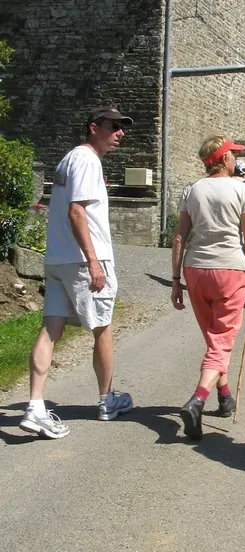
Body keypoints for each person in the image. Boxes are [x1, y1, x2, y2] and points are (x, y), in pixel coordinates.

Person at [19, 106, 135, 439]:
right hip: (84, 262)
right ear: (93, 128)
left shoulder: (68, 160)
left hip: (58, 260)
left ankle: (35, 407)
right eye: (114, 126)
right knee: (102, 328)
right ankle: (106, 400)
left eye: (121, 127)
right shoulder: (86, 161)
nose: (120, 132)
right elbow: (76, 213)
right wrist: (94, 260)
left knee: (50, 329)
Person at [171, 135, 245, 440]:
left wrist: (175, 281)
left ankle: (224, 396)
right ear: (223, 160)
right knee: (221, 341)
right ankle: (197, 400)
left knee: (214, 339)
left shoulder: (191, 190)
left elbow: (179, 237)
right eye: (233, 155)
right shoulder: (242, 190)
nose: (236, 159)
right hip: (231, 269)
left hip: (195, 268)